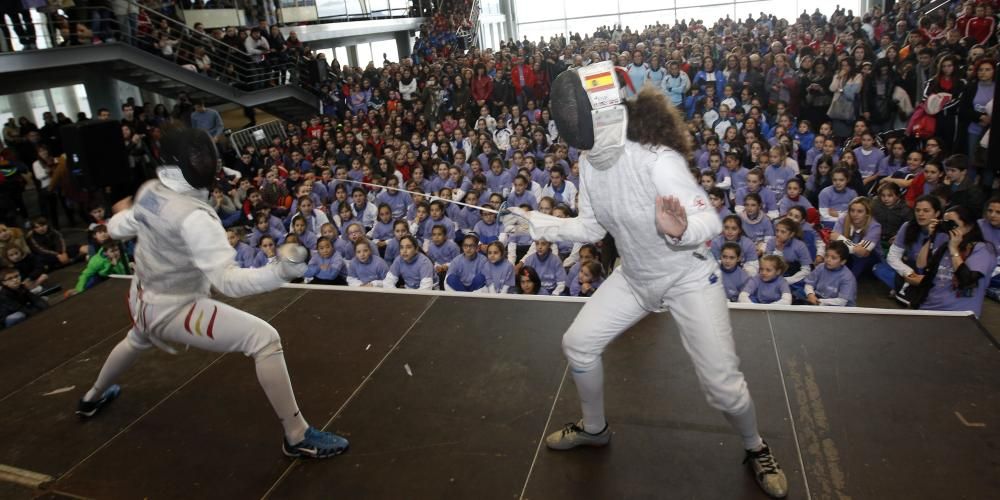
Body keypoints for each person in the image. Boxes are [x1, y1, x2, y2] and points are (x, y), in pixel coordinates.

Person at [509, 71, 787, 498]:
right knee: (579, 343)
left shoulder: (658, 160)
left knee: (723, 388)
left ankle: (756, 447)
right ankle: (595, 427)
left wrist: (678, 230)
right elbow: (589, 227)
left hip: (688, 278)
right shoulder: (589, 163)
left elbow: (708, 221)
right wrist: (537, 222)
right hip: (636, 277)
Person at [73, 128, 348, 459]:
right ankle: (296, 434)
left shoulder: (149, 191)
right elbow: (228, 282)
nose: (205, 163)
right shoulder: (195, 218)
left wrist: (117, 215)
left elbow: (120, 226)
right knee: (264, 339)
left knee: (137, 339)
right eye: (199, 159)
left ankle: (91, 398)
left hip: (140, 298)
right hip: (175, 309)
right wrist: (280, 271)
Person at [919, 206, 996, 317]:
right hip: (929, 307)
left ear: (969, 226)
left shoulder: (983, 249)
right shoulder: (945, 242)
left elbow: (967, 280)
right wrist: (931, 237)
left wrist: (954, 250)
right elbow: (921, 264)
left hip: (958, 313)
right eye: (945, 222)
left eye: (952, 223)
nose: (948, 227)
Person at [803, 241, 857, 306]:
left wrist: (818, 301)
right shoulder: (821, 267)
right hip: (816, 298)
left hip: (836, 306)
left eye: (833, 258)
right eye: (826, 256)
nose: (828, 259)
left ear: (843, 262)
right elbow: (809, 283)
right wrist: (810, 295)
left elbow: (842, 301)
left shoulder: (847, 277)